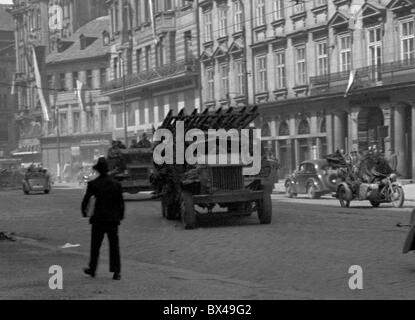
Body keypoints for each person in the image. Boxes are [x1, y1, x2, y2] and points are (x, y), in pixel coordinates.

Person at [81, 157, 125, 280]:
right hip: (112, 219)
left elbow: (86, 200)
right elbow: (121, 202)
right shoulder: (116, 184)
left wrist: (84, 212)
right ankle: (117, 272)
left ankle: (92, 269)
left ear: (98, 170)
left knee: (95, 246)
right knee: (114, 246)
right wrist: (120, 216)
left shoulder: (93, 184)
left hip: (98, 219)